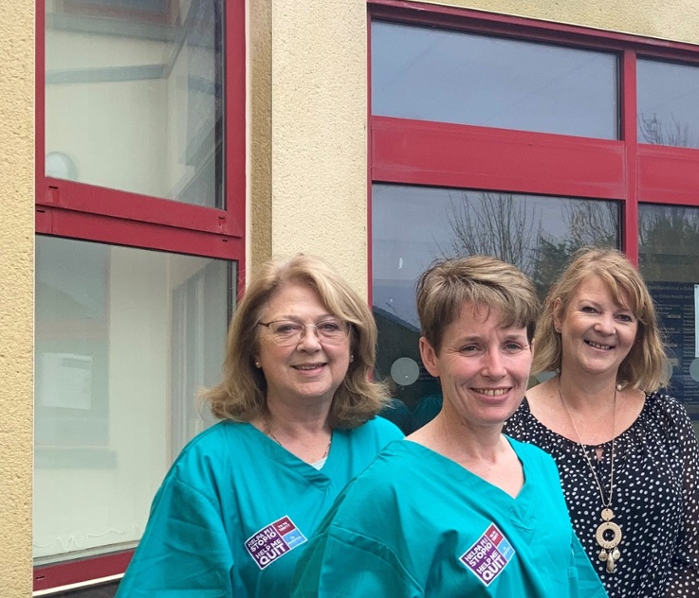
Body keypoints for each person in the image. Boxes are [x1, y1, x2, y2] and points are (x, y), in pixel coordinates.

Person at [291, 256, 607, 596]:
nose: (496, 368)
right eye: (472, 347)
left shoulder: (540, 467)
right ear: (430, 356)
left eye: (512, 345)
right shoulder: (388, 492)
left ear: (531, 350)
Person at [117, 255, 402, 597]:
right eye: (286, 328)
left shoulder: (385, 445)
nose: (310, 343)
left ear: (353, 345)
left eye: (329, 326)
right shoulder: (209, 467)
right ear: (254, 349)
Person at [507, 247, 699, 598]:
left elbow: (698, 560)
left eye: (623, 317)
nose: (606, 328)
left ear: (638, 331)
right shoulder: (513, 425)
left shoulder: (666, 419)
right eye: (590, 309)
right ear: (558, 315)